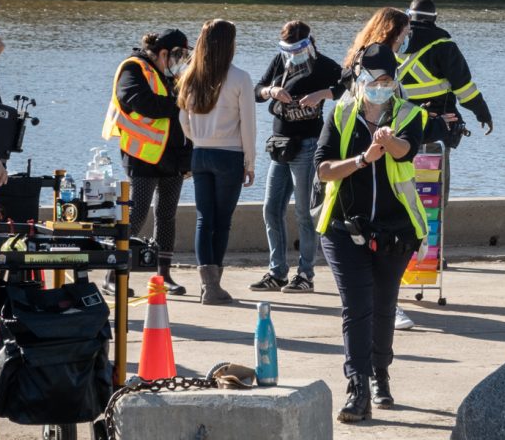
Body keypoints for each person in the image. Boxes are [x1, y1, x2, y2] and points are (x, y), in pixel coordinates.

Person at [314, 43, 427, 422]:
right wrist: (362, 160)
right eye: (375, 80)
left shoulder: (410, 113)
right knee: (357, 305)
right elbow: (324, 169)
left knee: (383, 304)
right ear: (360, 79)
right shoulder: (341, 113)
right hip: (343, 226)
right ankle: (357, 386)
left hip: (395, 230)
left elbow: (406, 151)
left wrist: (388, 140)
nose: (382, 87)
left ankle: (380, 374)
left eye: (388, 81)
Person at [250, 20, 342, 294]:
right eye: (287, 49)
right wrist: (271, 91)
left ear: (309, 43)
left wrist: (320, 95)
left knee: (304, 211)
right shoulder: (280, 61)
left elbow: (348, 84)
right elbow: (258, 90)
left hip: (307, 144)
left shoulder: (323, 65)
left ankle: (305, 274)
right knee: (271, 208)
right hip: (280, 145)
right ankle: (277, 271)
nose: (292, 54)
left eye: (297, 49)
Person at [102, 29, 193, 296]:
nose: (181, 61)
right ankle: (113, 275)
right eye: (178, 55)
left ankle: (163, 275)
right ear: (163, 52)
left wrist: (188, 159)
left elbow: (185, 121)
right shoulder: (133, 68)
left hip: (172, 158)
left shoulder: (172, 75)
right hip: (141, 157)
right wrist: (179, 104)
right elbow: (140, 102)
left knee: (167, 216)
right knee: (137, 214)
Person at [178, 20, 256, 305]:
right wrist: (250, 162)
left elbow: (183, 121)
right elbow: (248, 125)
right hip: (230, 155)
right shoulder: (240, 78)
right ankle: (214, 287)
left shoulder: (189, 76)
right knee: (222, 222)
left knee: (203, 218)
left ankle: (206, 284)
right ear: (229, 44)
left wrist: (198, 138)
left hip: (200, 153)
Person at [398, 0, 493, 204]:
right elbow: (465, 90)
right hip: (436, 129)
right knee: (432, 198)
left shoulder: (394, 44)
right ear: (436, 18)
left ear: (409, 16)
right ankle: (429, 236)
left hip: (398, 130)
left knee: (400, 192)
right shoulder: (444, 46)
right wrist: (483, 114)